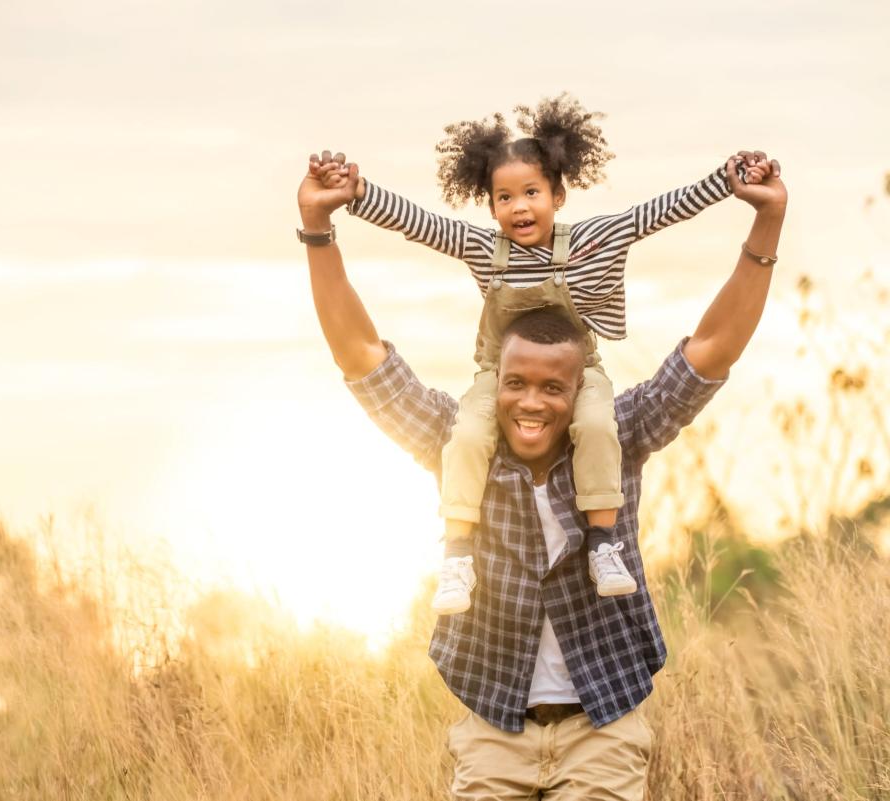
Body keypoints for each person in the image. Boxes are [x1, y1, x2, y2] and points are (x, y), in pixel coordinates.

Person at [296, 149, 785, 799]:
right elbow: (360, 357)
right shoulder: (457, 441)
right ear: (495, 380)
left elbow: (712, 350)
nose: (532, 401)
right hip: (495, 732)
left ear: (580, 388)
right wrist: (319, 231)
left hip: (602, 728)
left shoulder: (619, 433)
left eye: (553, 387)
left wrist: (767, 223)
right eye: (517, 383)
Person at [310, 95, 751, 615]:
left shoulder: (592, 240)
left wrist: (726, 181)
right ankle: (456, 553)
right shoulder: (482, 249)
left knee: (598, 428)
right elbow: (419, 223)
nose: (518, 207)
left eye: (532, 192)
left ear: (558, 195)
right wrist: (354, 193)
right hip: (499, 375)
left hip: (580, 374)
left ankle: (603, 544)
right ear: (490, 204)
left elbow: (653, 215)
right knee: (467, 436)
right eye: (504, 197)